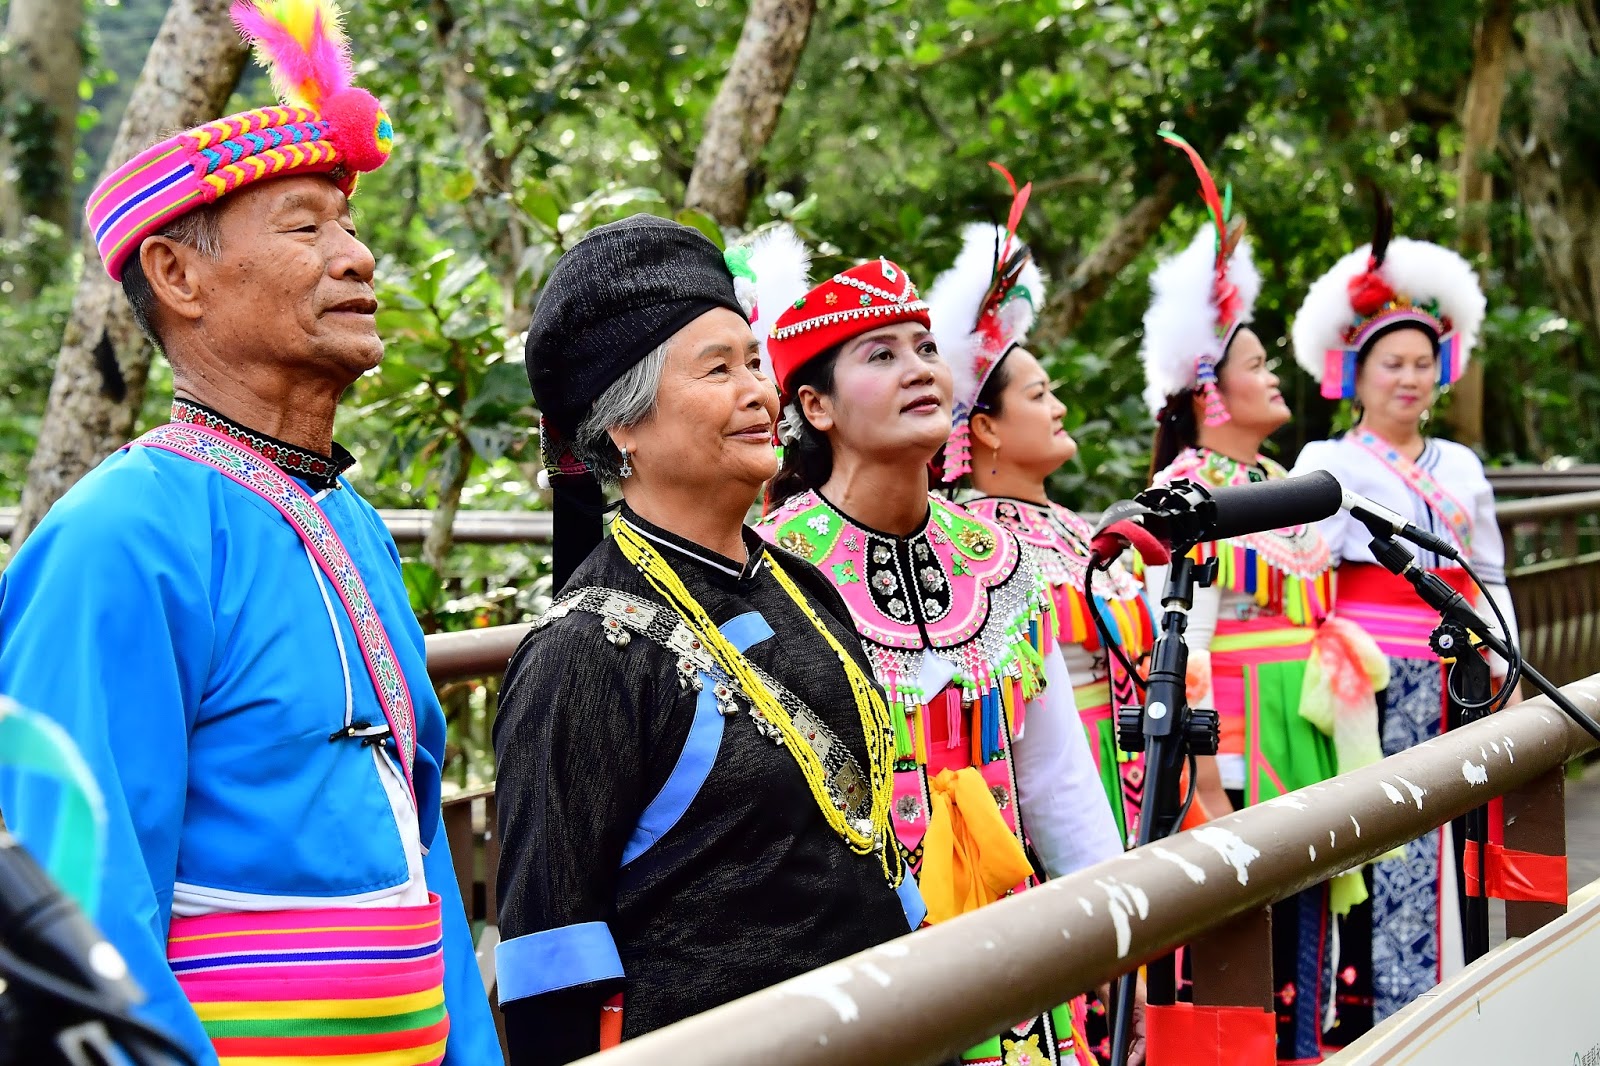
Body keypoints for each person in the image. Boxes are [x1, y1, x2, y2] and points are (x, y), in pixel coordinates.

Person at [0, 4, 500, 1063]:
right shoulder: (117, 539)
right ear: (179, 278)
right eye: (309, 227)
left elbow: (422, 842)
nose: (358, 258)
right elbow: (81, 895)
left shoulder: (352, 523)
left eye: (352, 226)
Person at [493, 215, 916, 1066]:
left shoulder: (804, 586)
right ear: (625, 427)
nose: (759, 392)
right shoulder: (586, 651)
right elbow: (549, 960)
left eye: (753, 361)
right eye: (717, 369)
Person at [751, 223, 1131, 1066]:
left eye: (925, 347)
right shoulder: (775, 570)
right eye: (879, 355)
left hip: (1008, 948)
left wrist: (1113, 918)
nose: (919, 366)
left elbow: (1056, 776)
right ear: (814, 406)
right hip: (854, 967)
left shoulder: (1000, 561)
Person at [1139, 133, 1382, 1064]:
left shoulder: (1277, 477)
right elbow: (1182, 632)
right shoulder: (1193, 488)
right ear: (1209, 387)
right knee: (1256, 912)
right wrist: (1204, 778)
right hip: (1238, 727)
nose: (1275, 370)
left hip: (1306, 712)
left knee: (1313, 900)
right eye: (1255, 359)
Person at [1288, 201, 1517, 1041]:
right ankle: (1391, 1019)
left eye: (1424, 362)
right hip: (1369, 681)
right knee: (1386, 840)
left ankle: (1455, 1003)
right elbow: (1304, 570)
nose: (1410, 379)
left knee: (1454, 838)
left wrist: (1509, 664)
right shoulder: (1329, 463)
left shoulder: (1460, 462)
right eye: (1392, 364)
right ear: (1355, 371)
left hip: (1461, 665)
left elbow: (1487, 572)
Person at [926, 172, 1154, 848]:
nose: (1058, 408)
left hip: (1138, 769)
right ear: (986, 427)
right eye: (1040, 394)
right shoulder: (980, 547)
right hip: (1064, 789)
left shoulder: (1071, 528)